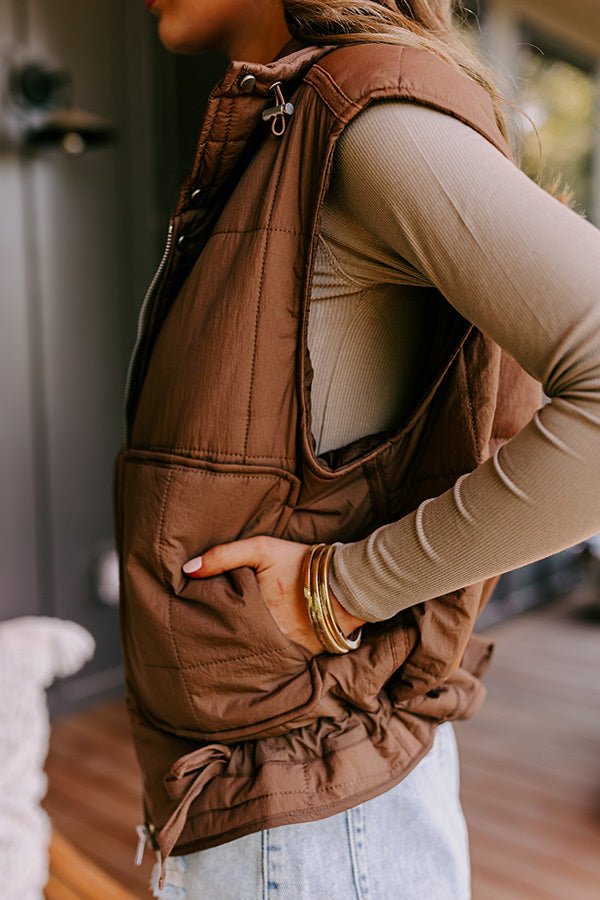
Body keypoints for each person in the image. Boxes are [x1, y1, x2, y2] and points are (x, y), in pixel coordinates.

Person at [117, 2, 600, 898]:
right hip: (262, 796)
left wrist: (338, 590)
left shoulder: (367, 120)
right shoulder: (290, 121)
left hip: (315, 825)